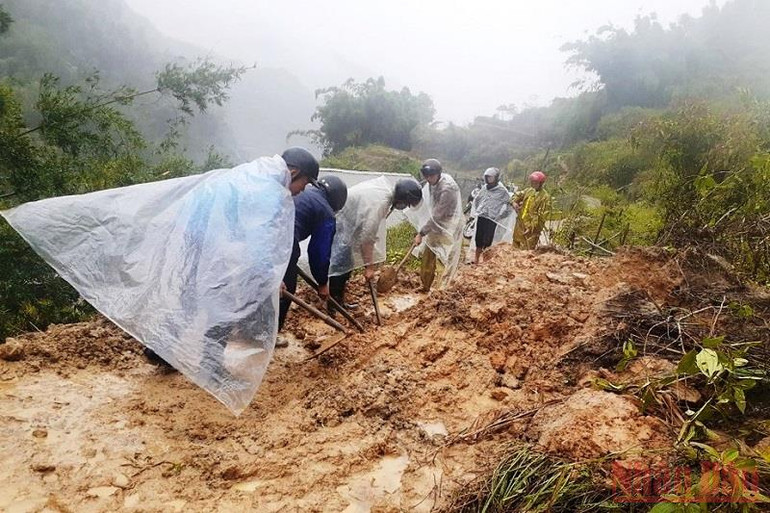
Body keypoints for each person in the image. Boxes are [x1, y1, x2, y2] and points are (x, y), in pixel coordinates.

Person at [328, 177, 423, 313]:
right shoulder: (379, 202)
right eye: (405, 203)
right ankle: (333, 309)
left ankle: (339, 302)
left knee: (345, 265)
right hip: (340, 222)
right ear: (401, 197)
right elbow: (367, 237)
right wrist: (369, 267)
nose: (404, 207)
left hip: (347, 222)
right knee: (340, 266)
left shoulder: (385, 193)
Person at [278, 175, 348, 338]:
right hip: (285, 242)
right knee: (286, 289)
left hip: (269, 240)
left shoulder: (305, 193)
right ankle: (268, 336)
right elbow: (319, 252)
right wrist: (323, 283)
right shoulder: (325, 211)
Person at [413, 158, 463, 291]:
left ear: (438, 173)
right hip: (436, 224)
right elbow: (430, 208)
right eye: (426, 176)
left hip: (449, 225)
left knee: (443, 257)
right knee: (428, 255)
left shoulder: (448, 188)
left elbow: (438, 215)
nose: (428, 178)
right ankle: (425, 286)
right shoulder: (432, 183)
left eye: (431, 175)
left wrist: (422, 233)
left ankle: (441, 290)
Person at [472, 167, 512, 264]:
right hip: (482, 216)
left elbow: (510, 203)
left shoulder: (502, 190)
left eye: (490, 177)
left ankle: (485, 262)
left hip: (492, 219)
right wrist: (478, 209)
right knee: (479, 239)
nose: (488, 179)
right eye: (486, 177)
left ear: (496, 178)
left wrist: (501, 215)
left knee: (487, 241)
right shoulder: (485, 187)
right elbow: (477, 199)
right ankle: (476, 260)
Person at [511, 170, 551, 250]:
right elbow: (517, 195)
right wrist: (514, 202)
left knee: (526, 251)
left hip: (531, 229)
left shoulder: (545, 197)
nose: (533, 184)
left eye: (535, 182)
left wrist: (532, 227)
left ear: (541, 183)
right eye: (532, 182)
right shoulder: (528, 191)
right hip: (520, 224)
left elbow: (542, 216)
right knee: (515, 246)